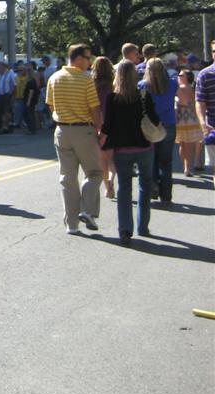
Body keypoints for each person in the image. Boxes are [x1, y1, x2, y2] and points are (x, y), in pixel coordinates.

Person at [45, 43, 102, 234]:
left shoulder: (54, 78)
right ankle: (86, 209)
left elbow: (50, 106)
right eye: (88, 58)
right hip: (83, 130)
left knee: (68, 178)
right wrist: (100, 129)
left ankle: (72, 224)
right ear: (78, 58)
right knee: (94, 172)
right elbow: (94, 108)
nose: (90, 62)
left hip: (61, 130)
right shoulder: (86, 80)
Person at [101, 60, 160, 245]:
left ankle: (125, 229)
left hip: (122, 149)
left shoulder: (112, 98)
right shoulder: (143, 95)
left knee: (124, 188)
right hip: (143, 146)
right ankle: (143, 225)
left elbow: (108, 125)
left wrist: (100, 139)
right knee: (145, 186)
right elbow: (155, 119)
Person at [139, 58, 177, 204]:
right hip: (168, 123)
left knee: (151, 160)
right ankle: (166, 196)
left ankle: (153, 186)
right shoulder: (172, 84)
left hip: (150, 125)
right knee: (166, 162)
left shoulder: (143, 85)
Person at [92, 56, 116, 198]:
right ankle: (112, 180)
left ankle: (107, 186)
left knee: (102, 159)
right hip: (112, 124)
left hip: (97, 123)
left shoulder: (92, 85)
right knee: (112, 157)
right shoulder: (113, 85)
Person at [194, 38, 215, 172]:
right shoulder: (204, 75)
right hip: (212, 127)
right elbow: (200, 101)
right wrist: (202, 122)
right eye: (214, 51)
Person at [175, 70, 200, 177]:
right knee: (189, 145)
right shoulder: (192, 88)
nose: (178, 76)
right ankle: (187, 167)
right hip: (191, 118)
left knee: (182, 144)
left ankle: (185, 166)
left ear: (186, 77)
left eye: (181, 75)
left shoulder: (180, 88)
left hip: (181, 118)